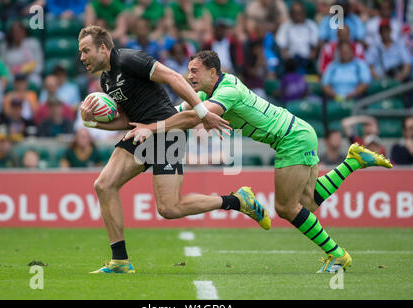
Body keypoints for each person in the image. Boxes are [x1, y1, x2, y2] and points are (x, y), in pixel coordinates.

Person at [125, 50, 393, 273]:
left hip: (292, 139)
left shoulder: (227, 91)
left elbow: (194, 118)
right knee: (308, 203)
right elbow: (178, 112)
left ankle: (338, 254)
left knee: (287, 208)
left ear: (212, 72)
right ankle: (353, 161)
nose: (189, 76)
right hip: (297, 132)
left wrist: (152, 128)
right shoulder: (208, 95)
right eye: (189, 70)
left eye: (195, 71)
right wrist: (136, 121)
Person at [77, 26, 249, 275]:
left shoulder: (129, 59)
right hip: (141, 132)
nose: (82, 57)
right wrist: (90, 122)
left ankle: (236, 201)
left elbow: (175, 78)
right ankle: (120, 261)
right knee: (103, 185)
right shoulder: (106, 80)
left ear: (103, 48)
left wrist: (201, 113)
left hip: (168, 132)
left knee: (169, 208)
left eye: (86, 50)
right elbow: (125, 120)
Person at [275, 1, 318, 74]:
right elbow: (282, 47)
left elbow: (314, 48)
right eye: (295, 12)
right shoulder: (285, 26)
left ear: (304, 13)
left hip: (306, 60)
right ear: (291, 14)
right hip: (290, 60)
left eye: (300, 12)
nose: (298, 15)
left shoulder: (311, 26)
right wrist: (288, 59)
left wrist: (310, 57)